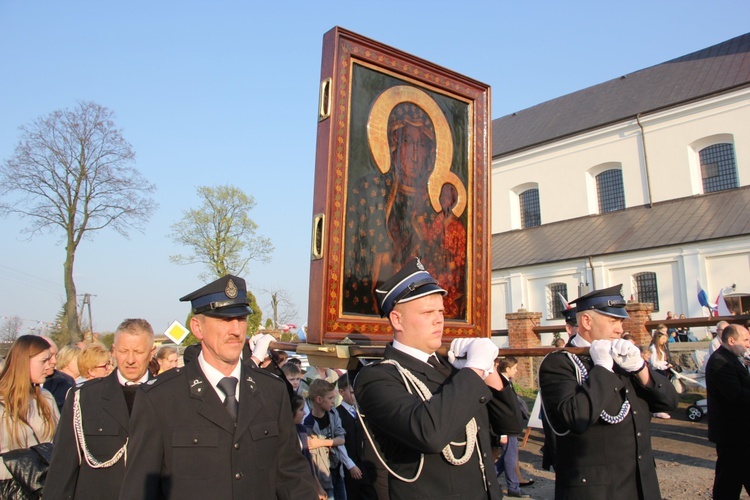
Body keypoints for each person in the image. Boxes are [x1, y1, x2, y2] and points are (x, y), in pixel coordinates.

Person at [119, 274, 317, 499]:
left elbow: (292, 474)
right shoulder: (160, 398)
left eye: (241, 318)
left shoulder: (272, 390)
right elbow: (139, 489)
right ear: (197, 327)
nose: (236, 330)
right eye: (224, 320)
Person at [354, 258, 523, 499]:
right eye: (427, 312)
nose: (439, 319)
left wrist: (488, 371)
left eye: (441, 311)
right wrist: (473, 370)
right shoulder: (377, 378)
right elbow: (429, 434)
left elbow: (511, 424)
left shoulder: (452, 370)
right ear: (397, 319)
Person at [538, 284, 678, 499]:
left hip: (640, 482)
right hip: (597, 488)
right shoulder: (560, 363)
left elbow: (669, 403)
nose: (619, 329)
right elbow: (576, 417)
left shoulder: (622, 356)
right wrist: (602, 369)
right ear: (586, 321)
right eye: (612, 321)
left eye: (620, 321)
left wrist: (641, 370)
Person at [46, 318, 156, 499]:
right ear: (113, 351)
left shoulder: (170, 396)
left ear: (152, 353)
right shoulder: (84, 398)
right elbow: (63, 464)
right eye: (123, 351)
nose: (130, 360)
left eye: (138, 352)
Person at [0, 335, 59, 497]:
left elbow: (59, 441)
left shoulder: (45, 397)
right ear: (24, 362)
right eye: (44, 361)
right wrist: (20, 467)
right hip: (8, 489)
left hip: (43, 487)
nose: (50, 365)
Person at [705, 323, 750, 498]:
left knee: (731, 480)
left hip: (740, 433)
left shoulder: (731, 358)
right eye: (745, 340)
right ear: (731, 340)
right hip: (732, 434)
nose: (748, 343)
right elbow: (737, 395)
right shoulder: (719, 362)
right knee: (728, 482)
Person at [304, 379, 353, 500]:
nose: (333, 401)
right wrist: (318, 487)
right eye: (330, 398)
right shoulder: (309, 424)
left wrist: (321, 442)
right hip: (323, 477)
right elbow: (310, 459)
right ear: (319, 400)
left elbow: (341, 439)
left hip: (337, 470)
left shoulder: (333, 413)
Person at [336, 374, 377, 500]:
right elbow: (339, 443)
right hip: (349, 464)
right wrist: (350, 464)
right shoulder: (337, 413)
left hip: (363, 462)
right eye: (352, 392)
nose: (355, 396)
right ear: (341, 392)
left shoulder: (359, 411)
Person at [493, 357, 529, 498]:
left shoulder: (505, 381)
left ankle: (487, 478)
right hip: (506, 427)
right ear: (507, 369)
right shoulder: (500, 382)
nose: (516, 370)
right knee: (510, 457)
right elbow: (501, 409)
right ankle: (513, 487)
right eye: (514, 368)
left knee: (508, 457)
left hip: (510, 426)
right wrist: (502, 432)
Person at [292, 395, 328, 500]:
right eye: (301, 409)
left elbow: (309, 461)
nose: (304, 413)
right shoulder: (283, 433)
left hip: (306, 483)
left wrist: (318, 487)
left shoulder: (301, 430)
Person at [41, 336, 75, 412]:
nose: (55, 361)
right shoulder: (17, 384)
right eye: (50, 356)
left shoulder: (66, 381)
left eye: (56, 356)